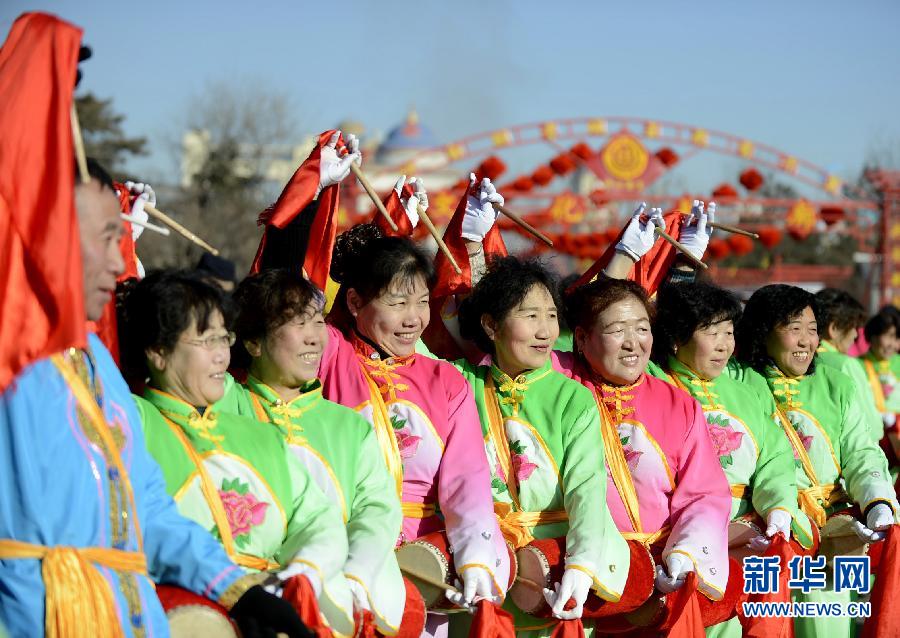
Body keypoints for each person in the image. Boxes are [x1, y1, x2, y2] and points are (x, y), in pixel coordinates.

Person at [0, 158, 309, 637]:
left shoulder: (94, 359)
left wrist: (241, 590)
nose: (115, 260)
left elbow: (145, 507)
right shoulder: (10, 363)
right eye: (104, 237)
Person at [119, 269, 354, 635]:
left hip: (270, 604)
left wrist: (302, 571)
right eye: (204, 341)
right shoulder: (132, 422)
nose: (220, 356)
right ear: (157, 352)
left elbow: (318, 520)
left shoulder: (261, 436)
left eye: (223, 339)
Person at [317, 224, 509, 637]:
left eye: (421, 302)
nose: (413, 319)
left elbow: (468, 483)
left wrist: (475, 556)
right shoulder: (329, 355)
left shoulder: (446, 382)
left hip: (421, 564)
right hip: (341, 553)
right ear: (354, 302)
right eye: (397, 302)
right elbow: (293, 303)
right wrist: (316, 196)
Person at [222, 268, 407, 634]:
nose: (313, 338)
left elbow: (378, 509)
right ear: (254, 343)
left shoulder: (349, 425)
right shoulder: (226, 406)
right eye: (296, 323)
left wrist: (353, 572)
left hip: (338, 592)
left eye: (317, 321)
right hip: (249, 594)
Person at [455, 257, 629, 635]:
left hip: (556, 568)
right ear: (490, 324)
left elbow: (588, 492)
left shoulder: (573, 398)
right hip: (485, 565)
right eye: (529, 315)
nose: (545, 330)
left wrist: (581, 567)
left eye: (550, 315)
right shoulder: (459, 383)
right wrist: (468, 243)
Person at [650, 281, 814, 636]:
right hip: (674, 535)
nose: (725, 345)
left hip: (741, 534)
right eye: (712, 332)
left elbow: (775, 457)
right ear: (677, 336)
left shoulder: (744, 393)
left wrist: (778, 509)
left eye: (729, 332)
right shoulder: (654, 384)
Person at [735, 284, 898, 638]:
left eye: (812, 329)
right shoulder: (738, 380)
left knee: (828, 626)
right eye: (794, 329)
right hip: (764, 534)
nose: (807, 341)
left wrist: (876, 499)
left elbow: (861, 449)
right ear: (764, 332)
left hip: (830, 533)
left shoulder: (836, 383)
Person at [557, 278, 732, 605]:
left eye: (641, 329)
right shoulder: (555, 381)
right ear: (581, 338)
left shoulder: (678, 404)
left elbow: (705, 493)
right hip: (577, 571)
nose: (632, 343)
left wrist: (686, 551)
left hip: (657, 574)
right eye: (616, 330)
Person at [814, 288, 884, 444]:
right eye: (853, 327)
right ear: (834, 329)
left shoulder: (802, 359)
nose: (855, 334)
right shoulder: (846, 364)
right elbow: (870, 425)